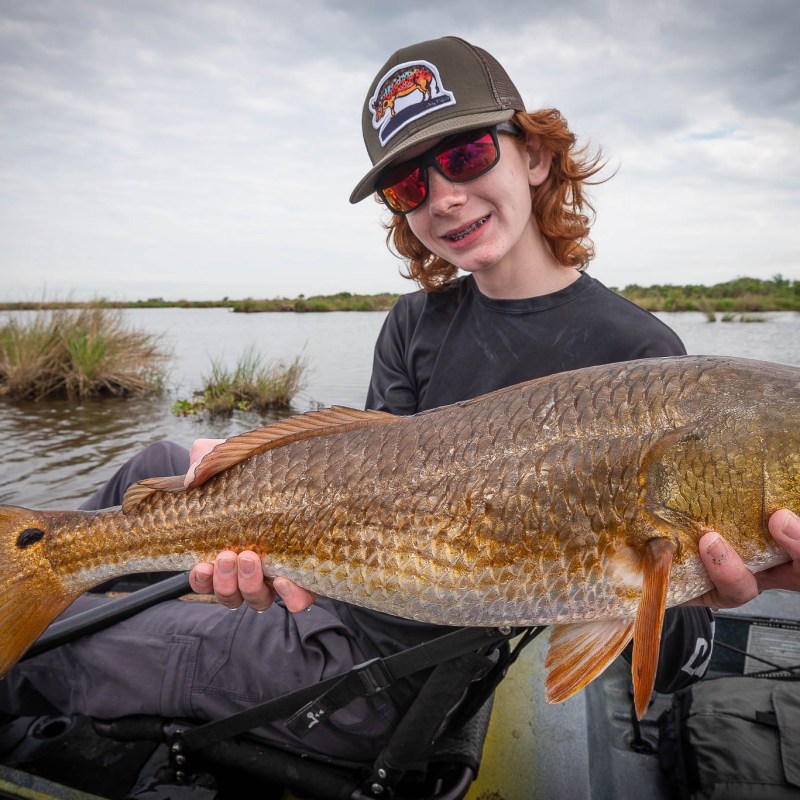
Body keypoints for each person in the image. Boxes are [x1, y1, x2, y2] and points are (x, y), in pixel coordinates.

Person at [2, 35, 798, 764]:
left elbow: (672, 639)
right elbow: (362, 463)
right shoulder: (416, 321)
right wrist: (252, 483)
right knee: (153, 461)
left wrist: (742, 581)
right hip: (334, 592)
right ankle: (43, 567)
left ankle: (52, 610)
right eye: (410, 184)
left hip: (381, 674)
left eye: (467, 154)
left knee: (58, 648)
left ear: (535, 157)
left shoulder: (642, 355)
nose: (443, 197)